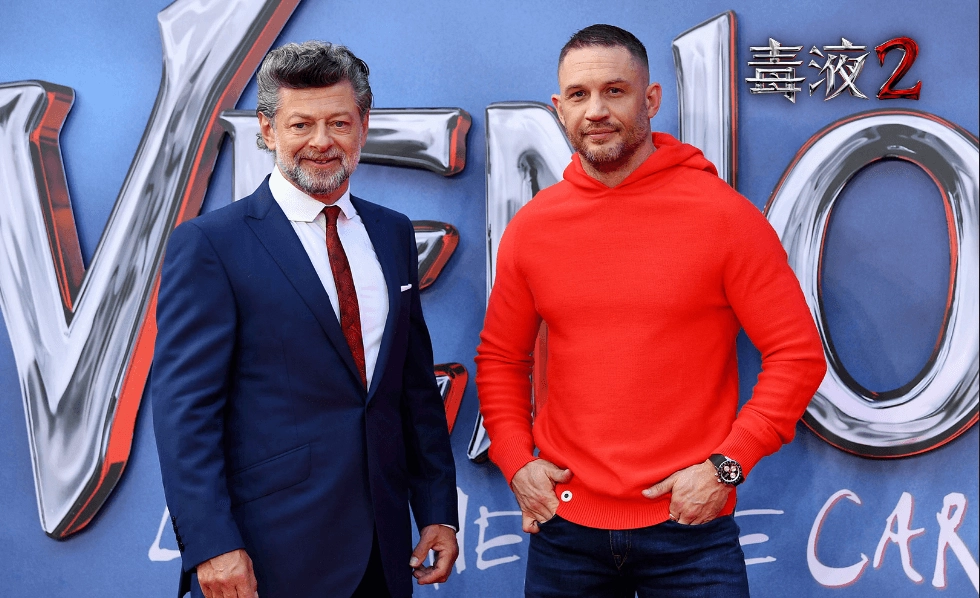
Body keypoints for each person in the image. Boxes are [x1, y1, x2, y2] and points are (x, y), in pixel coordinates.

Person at [476, 24, 827, 597]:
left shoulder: (724, 218)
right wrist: (516, 462)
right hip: (565, 532)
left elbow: (798, 355)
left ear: (652, 99)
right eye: (579, 95)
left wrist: (727, 467)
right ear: (559, 107)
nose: (596, 110)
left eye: (614, 91)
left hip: (691, 532)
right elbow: (500, 359)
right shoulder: (534, 228)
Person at [152, 41, 458, 598]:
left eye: (339, 122)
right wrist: (212, 544)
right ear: (268, 130)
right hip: (268, 555)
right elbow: (185, 413)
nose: (321, 142)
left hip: (384, 551)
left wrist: (437, 508)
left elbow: (412, 388)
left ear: (363, 126)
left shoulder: (392, 232)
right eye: (301, 125)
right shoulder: (210, 244)